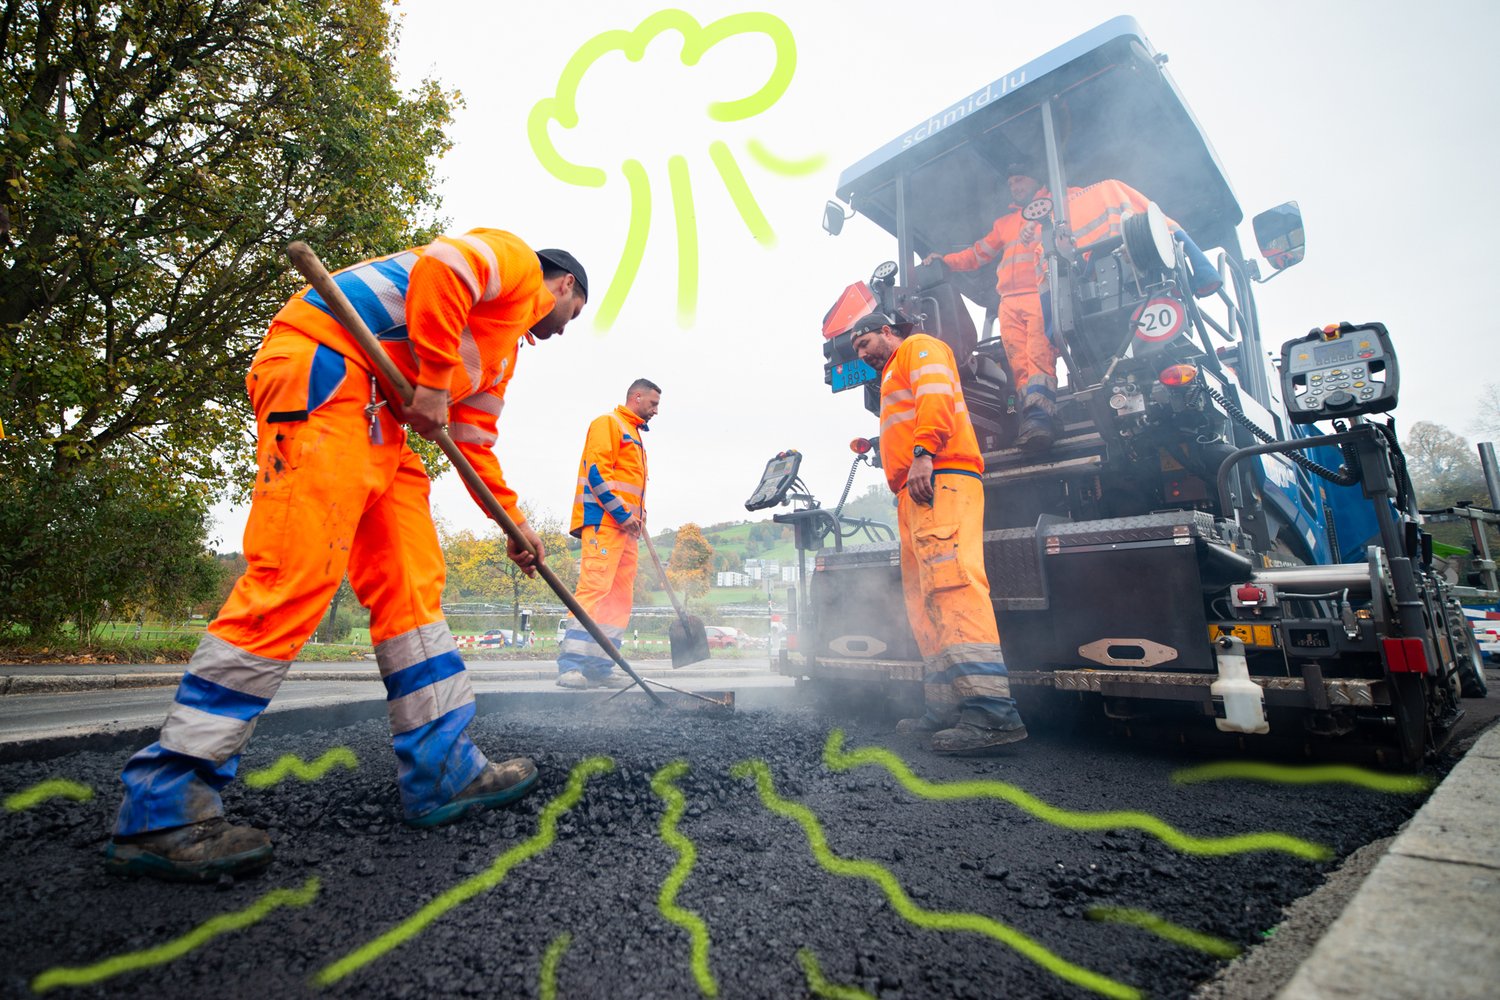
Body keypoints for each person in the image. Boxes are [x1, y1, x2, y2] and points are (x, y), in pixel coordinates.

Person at [106, 230, 589, 882]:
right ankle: (163, 806)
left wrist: (514, 524)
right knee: (296, 576)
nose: (566, 327)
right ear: (561, 285)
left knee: (414, 586)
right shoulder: (512, 262)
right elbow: (442, 272)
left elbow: (471, 439)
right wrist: (438, 384)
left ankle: (444, 768)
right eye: (575, 311)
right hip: (328, 367)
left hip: (381, 421)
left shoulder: (500, 356)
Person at [849, 312, 1027, 754]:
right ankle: (945, 707)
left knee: (953, 586)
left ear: (888, 331)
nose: (862, 353)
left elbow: (937, 395)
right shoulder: (892, 372)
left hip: (939, 477)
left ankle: (992, 714)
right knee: (925, 595)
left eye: (865, 342)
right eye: (856, 349)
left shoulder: (919, 347)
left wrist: (924, 452)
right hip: (914, 491)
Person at [925, 163, 1075, 452]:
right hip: (1008, 302)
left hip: (1038, 293)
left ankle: (1039, 420)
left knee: (1038, 357)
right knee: (1018, 366)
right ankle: (1039, 418)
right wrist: (946, 261)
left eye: (1019, 180)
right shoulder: (1004, 224)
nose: (1015, 186)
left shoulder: (1057, 208)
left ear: (1035, 180)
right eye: (1011, 183)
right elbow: (978, 253)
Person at [556, 379, 661, 688]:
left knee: (619, 598)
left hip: (628, 530)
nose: (656, 410)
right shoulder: (609, 423)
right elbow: (597, 471)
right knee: (595, 590)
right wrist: (621, 512)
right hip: (605, 523)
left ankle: (600, 665)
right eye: (653, 403)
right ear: (637, 396)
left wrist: (638, 516)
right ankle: (570, 665)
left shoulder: (635, 436)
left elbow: (630, 485)